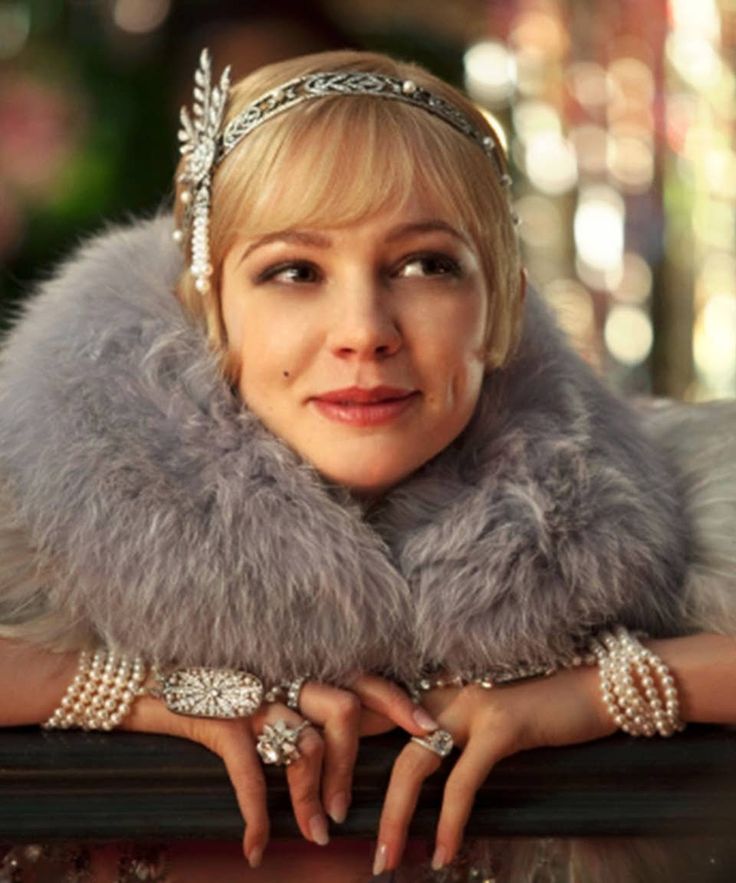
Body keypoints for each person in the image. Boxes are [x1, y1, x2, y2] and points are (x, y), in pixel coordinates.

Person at [0, 48, 734, 883]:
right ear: (209, 313)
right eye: (294, 271)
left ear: (502, 304)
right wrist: (130, 688)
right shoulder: (33, 520)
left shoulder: (662, 507)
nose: (363, 329)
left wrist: (610, 686)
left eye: (425, 264)